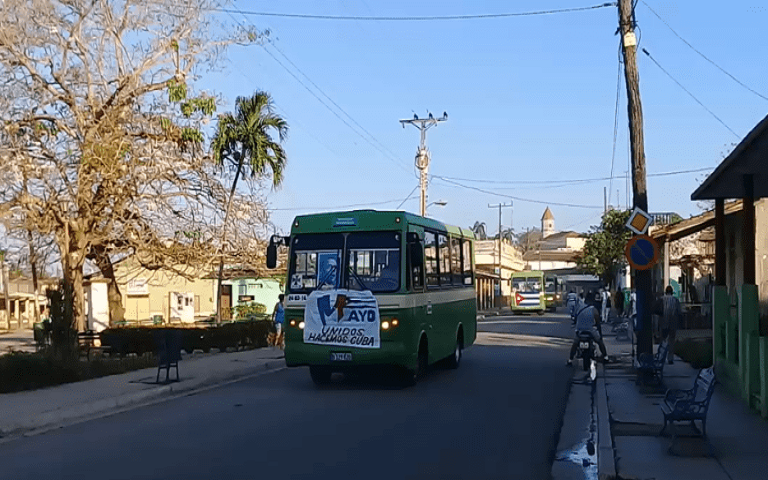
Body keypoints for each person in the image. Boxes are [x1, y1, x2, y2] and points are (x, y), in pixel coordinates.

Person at [567, 293, 609, 365]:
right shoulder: (594, 309)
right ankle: (605, 357)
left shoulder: (579, 308)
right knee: (600, 342)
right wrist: (600, 333)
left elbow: (575, 319)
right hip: (590, 330)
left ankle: (570, 360)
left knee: (575, 344)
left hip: (580, 331)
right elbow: (598, 322)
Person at [659, 285, 682, 364]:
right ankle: (670, 358)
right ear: (672, 292)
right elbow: (679, 312)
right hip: (672, 323)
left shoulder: (661, 299)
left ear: (666, 291)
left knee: (662, 341)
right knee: (671, 341)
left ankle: (661, 357)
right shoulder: (675, 300)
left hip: (663, 323)